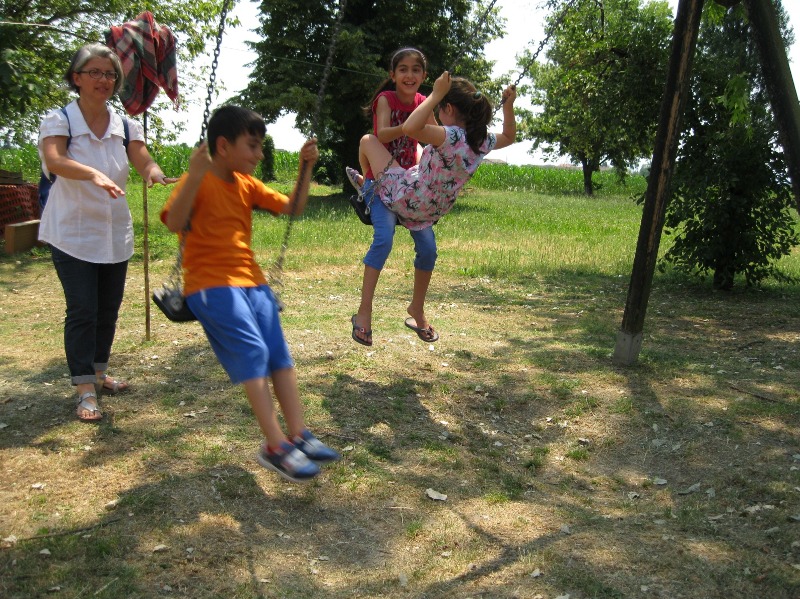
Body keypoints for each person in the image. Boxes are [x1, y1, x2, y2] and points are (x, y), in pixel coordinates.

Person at [161, 105, 340, 483]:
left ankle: (299, 434)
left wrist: (306, 169)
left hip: (252, 282)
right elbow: (175, 222)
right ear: (223, 146)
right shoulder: (199, 179)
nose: (259, 155)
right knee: (254, 352)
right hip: (210, 284)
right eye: (253, 146)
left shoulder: (246, 184)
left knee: (278, 353)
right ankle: (274, 446)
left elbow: (293, 208)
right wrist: (192, 175)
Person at [38, 42, 177, 423]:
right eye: (95, 72)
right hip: (72, 231)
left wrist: (155, 174)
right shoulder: (59, 120)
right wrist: (95, 174)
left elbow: (142, 158)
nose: (104, 80)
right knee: (83, 309)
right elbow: (56, 160)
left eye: (110, 74)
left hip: (114, 232)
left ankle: (99, 373)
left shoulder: (125, 125)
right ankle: (84, 388)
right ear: (76, 78)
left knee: (107, 310)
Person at [355, 71, 517, 342]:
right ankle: (416, 308)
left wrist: (435, 94)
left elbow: (409, 128)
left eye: (441, 107)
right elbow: (509, 136)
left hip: (406, 196)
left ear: (449, 109)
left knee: (368, 141)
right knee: (421, 157)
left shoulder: (450, 136)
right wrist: (508, 105)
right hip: (430, 209)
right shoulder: (482, 140)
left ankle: (368, 186)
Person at [345, 47, 437, 347]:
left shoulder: (425, 102)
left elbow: (437, 135)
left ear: (424, 76)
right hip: (383, 185)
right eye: (403, 69)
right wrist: (410, 127)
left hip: (408, 186)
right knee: (383, 239)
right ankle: (363, 313)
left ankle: (417, 310)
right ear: (393, 75)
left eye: (416, 70)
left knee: (429, 248)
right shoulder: (386, 99)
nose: (409, 75)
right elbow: (382, 134)